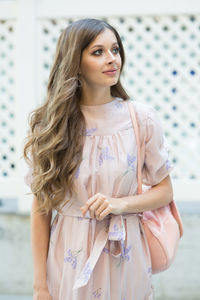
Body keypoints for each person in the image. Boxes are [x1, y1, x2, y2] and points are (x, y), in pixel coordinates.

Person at [23, 18, 174, 300]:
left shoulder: (141, 118)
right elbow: (41, 209)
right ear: (75, 62)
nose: (111, 59)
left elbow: (165, 191)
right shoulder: (52, 126)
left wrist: (120, 204)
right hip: (69, 258)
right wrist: (40, 286)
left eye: (115, 50)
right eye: (98, 52)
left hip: (126, 256)